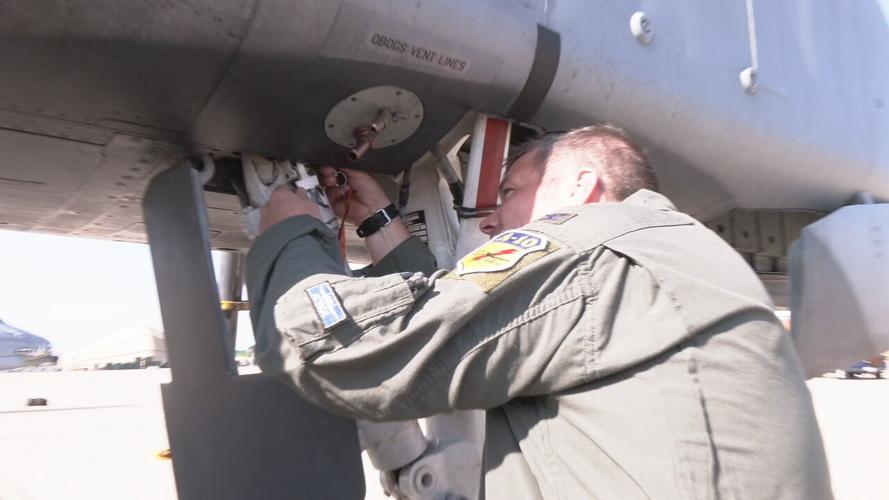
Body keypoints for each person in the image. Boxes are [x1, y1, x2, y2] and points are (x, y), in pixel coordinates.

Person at [246, 125, 832, 499]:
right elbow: (465, 314)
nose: (493, 219)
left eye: (510, 193)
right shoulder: (662, 252)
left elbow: (344, 347)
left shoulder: (594, 246)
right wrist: (376, 218)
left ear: (580, 187)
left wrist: (292, 232)